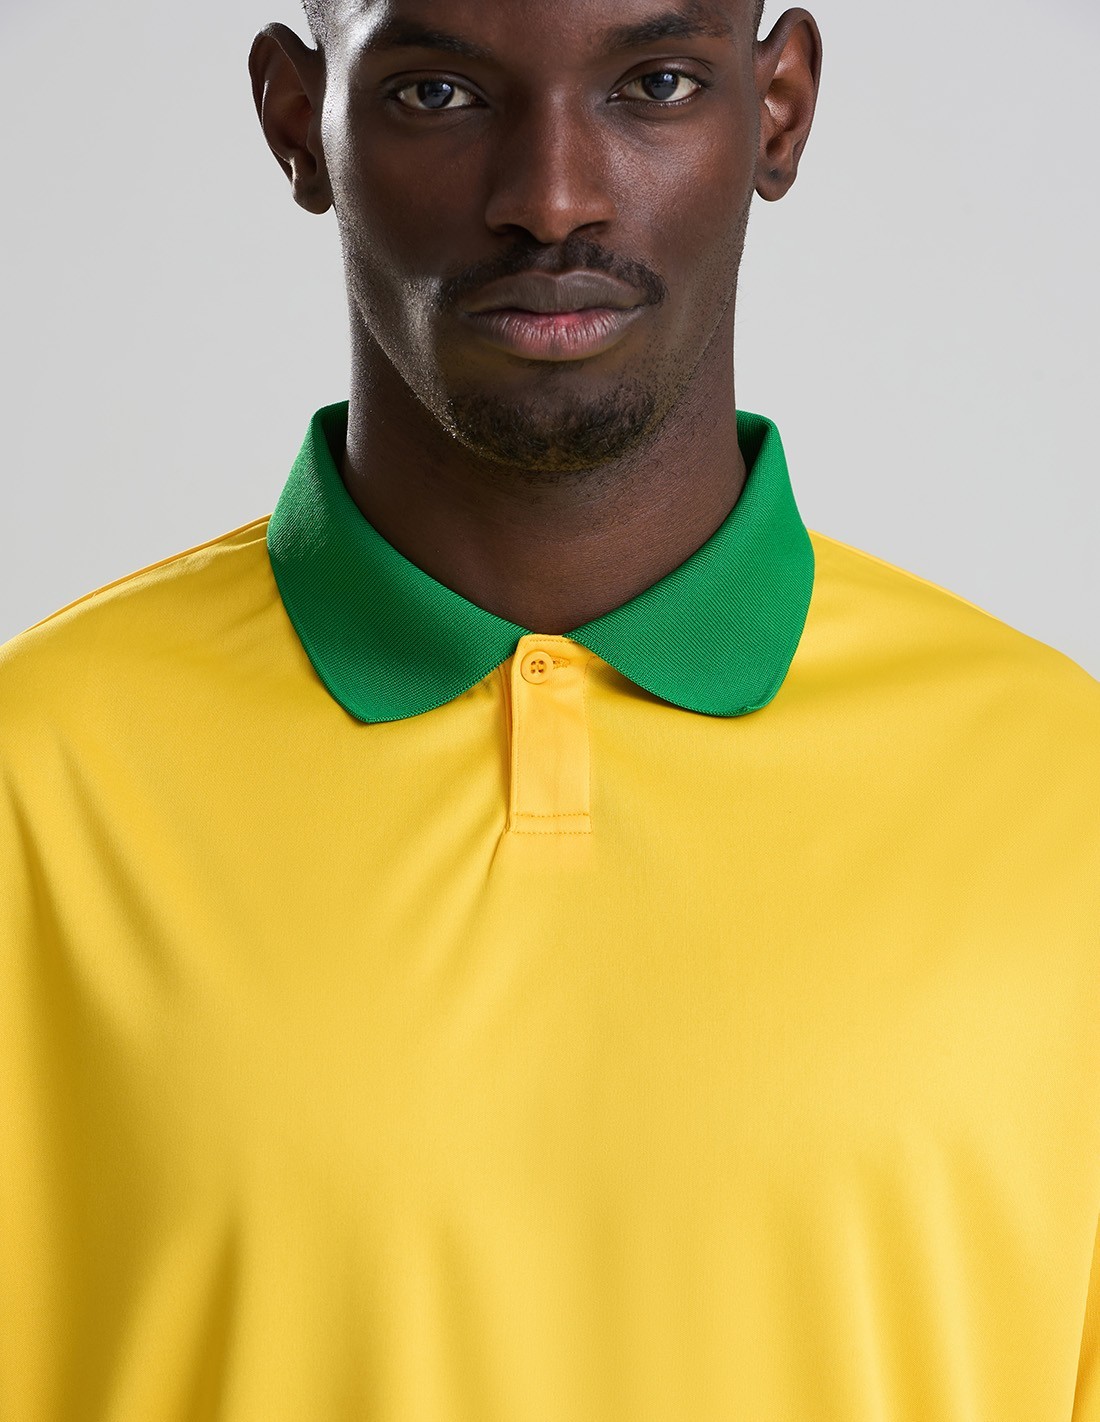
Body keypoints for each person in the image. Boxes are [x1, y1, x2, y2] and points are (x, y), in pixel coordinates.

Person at [1, 0, 1097, 1417]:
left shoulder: (1062, 790)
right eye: (439, 93)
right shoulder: (35, 780)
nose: (554, 197)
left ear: (778, 108)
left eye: (655, 82)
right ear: (296, 120)